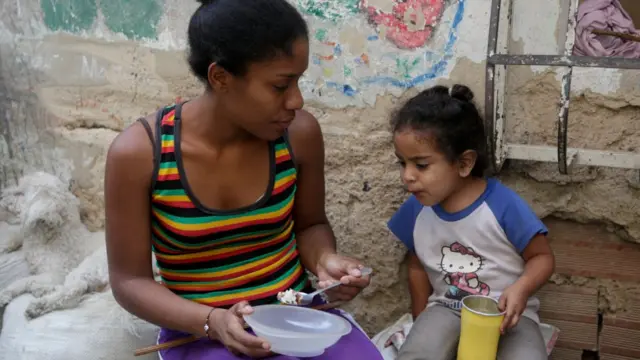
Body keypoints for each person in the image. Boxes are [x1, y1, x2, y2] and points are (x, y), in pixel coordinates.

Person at [103, 0, 383, 359]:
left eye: (298, 81)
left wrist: (325, 259)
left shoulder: (298, 135)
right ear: (220, 77)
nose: (296, 100)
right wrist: (211, 321)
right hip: (201, 333)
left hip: (295, 317)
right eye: (280, 85)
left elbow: (310, 225)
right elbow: (130, 281)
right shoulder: (141, 155)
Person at [386, 84, 555, 360]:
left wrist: (521, 288)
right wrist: (420, 319)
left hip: (509, 314)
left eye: (421, 165)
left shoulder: (502, 205)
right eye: (401, 163)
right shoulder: (416, 210)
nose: (407, 176)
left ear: (464, 163)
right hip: (446, 309)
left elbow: (542, 257)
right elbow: (417, 266)